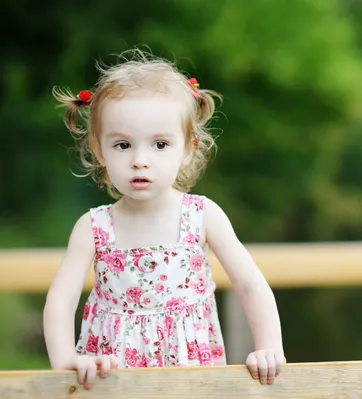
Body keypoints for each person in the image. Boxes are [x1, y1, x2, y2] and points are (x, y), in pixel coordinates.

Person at [43, 49, 285, 390]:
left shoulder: (202, 216)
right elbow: (61, 297)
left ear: (187, 147)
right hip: (112, 381)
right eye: (123, 145)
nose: (140, 160)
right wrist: (65, 359)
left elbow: (250, 285)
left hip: (189, 378)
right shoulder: (94, 227)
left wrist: (269, 348)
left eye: (159, 144)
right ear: (99, 149)